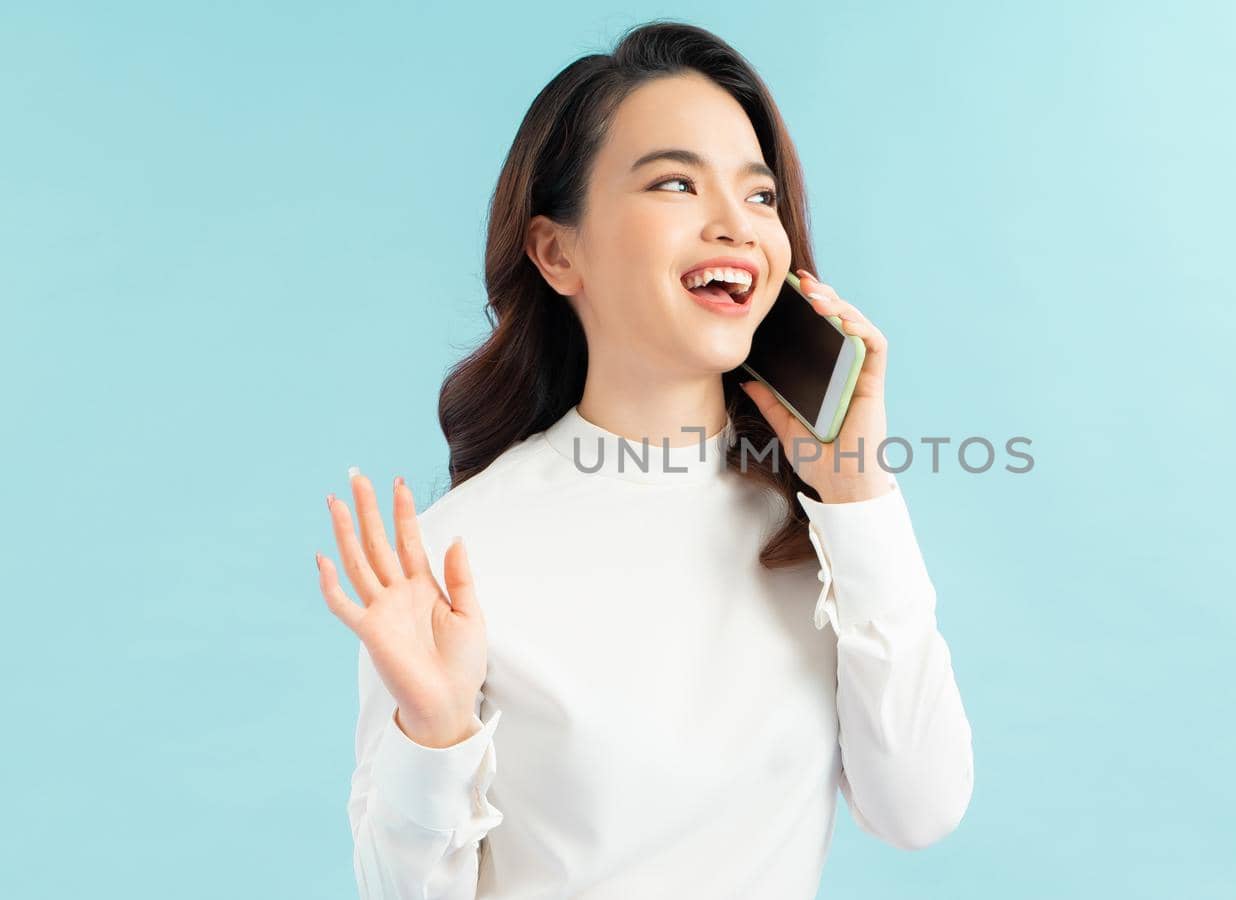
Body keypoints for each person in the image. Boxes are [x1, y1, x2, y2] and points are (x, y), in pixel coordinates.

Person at [314, 20, 974, 899]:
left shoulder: (821, 530)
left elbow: (918, 811)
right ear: (558, 251)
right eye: (675, 182)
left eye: (761, 196)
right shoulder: (453, 562)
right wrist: (432, 735)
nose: (736, 226)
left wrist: (858, 496)